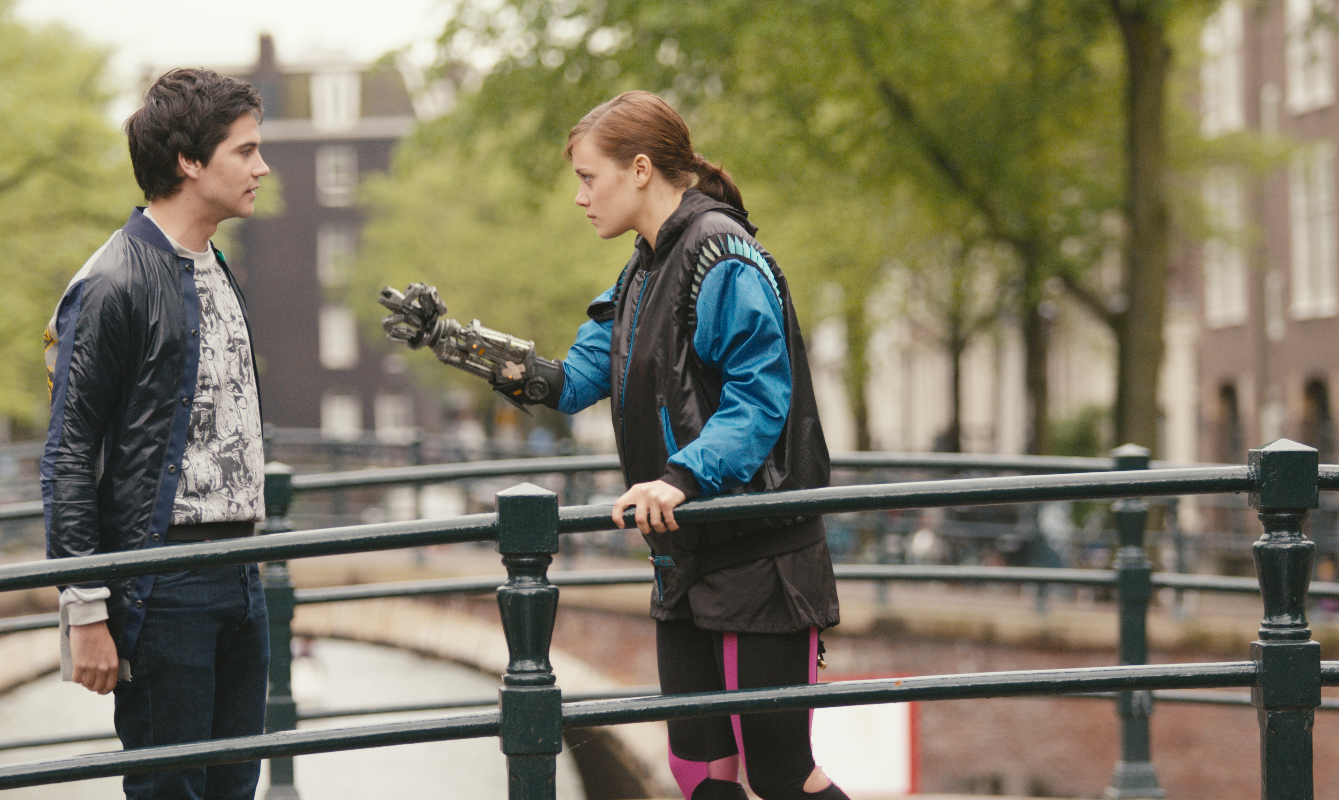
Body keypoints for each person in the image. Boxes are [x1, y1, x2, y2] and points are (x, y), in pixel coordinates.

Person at [380, 90, 846, 800]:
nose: (579, 197)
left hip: (761, 554)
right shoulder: (641, 271)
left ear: (639, 169)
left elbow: (760, 400)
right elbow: (570, 382)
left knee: (781, 775)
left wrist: (681, 478)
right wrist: (455, 342)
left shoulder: (723, 257)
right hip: (684, 553)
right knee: (700, 774)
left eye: (588, 178)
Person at [41, 68, 272, 800]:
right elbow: (69, 452)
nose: (262, 167)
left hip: (242, 571)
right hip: (165, 580)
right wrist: (85, 608)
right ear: (189, 161)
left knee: (235, 786)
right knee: (171, 790)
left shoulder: (216, 265)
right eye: (245, 151)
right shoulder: (112, 282)